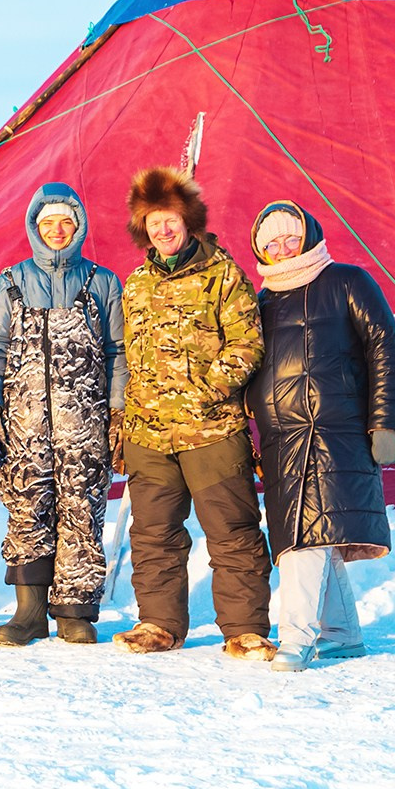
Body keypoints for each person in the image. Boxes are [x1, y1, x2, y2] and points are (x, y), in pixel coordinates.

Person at [114, 167, 273, 659]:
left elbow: (247, 344)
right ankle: (159, 624)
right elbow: (128, 355)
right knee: (154, 533)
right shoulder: (136, 283)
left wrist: (204, 392)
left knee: (233, 531)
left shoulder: (223, 274)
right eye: (154, 221)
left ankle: (245, 629)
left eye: (172, 220)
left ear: (189, 221)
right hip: (148, 435)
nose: (164, 229)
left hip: (212, 429)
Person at [246, 200, 395, 672]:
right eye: (270, 243)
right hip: (282, 439)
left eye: (289, 238)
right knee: (313, 534)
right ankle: (342, 633)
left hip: (335, 432)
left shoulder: (346, 281)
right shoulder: (263, 299)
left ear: (309, 236)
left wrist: (385, 424)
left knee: (303, 544)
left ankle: (295, 639)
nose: (281, 249)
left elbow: (386, 348)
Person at [0, 182, 126, 647]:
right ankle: (30, 611)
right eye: (47, 223)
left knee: (81, 511)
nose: (57, 231)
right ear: (34, 227)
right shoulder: (11, 281)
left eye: (66, 222)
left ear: (78, 226)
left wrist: (118, 413)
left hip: (86, 423)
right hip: (25, 422)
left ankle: (75, 612)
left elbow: (119, 353)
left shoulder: (102, 282)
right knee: (27, 509)